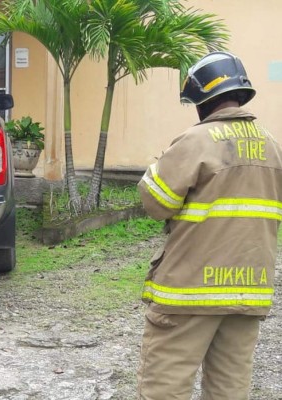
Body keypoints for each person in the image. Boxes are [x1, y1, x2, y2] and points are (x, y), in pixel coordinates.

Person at [136, 51, 282, 399]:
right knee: (229, 388)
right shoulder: (273, 147)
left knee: (165, 386)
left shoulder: (197, 140)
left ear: (201, 99)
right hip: (249, 291)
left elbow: (157, 203)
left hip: (189, 292)